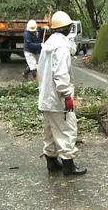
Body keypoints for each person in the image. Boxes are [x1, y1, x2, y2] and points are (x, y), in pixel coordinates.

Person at [37, 10, 86, 176]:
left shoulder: (48, 45)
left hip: (46, 97)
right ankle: (68, 165)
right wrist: (67, 96)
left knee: (50, 130)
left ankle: (51, 161)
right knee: (67, 128)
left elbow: (41, 71)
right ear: (67, 28)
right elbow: (61, 74)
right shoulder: (62, 48)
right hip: (58, 98)